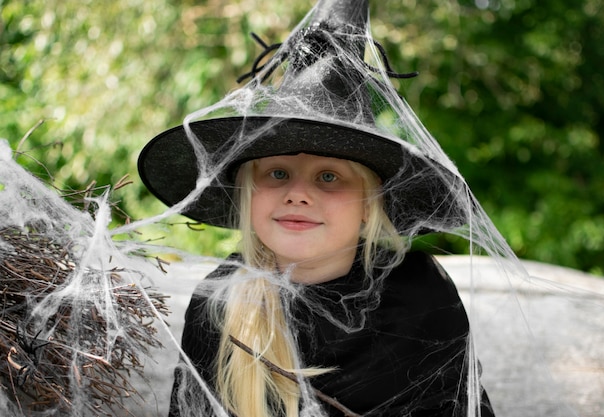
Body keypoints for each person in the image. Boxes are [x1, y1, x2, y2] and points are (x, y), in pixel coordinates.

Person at [138, 0, 496, 416]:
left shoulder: (419, 294)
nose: (298, 194)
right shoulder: (219, 301)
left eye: (329, 177)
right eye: (276, 174)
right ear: (246, 191)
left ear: (370, 204)